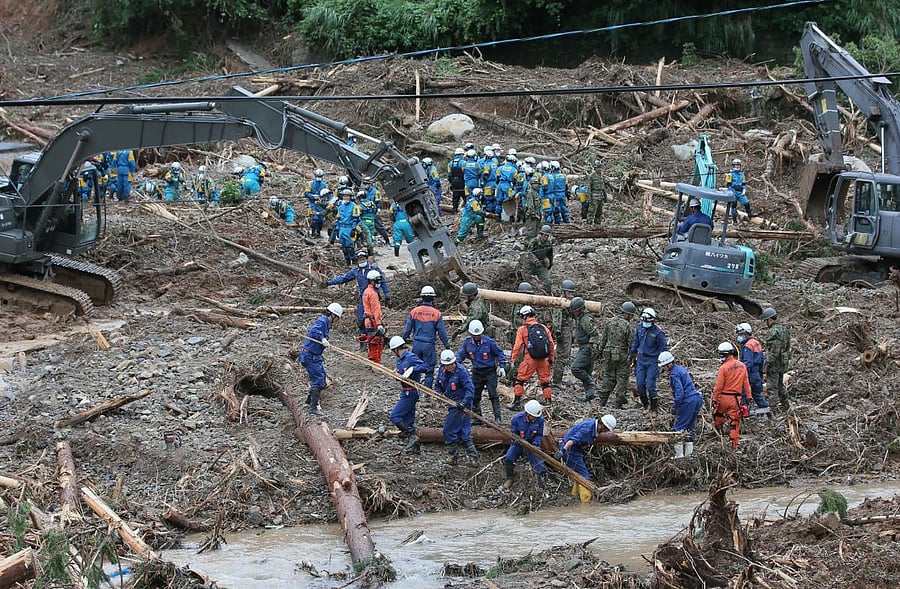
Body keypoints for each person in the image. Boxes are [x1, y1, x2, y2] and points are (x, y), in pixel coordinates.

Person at [326, 251, 389, 346]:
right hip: (363, 298)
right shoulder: (356, 271)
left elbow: (382, 281)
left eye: (363, 259)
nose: (362, 261)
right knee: (361, 321)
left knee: (374, 318)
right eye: (360, 259)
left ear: (366, 259)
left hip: (373, 296)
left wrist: (386, 294)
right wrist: (329, 283)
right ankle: (363, 343)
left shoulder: (373, 269)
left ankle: (377, 341)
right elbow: (343, 278)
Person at [556, 414, 616, 502]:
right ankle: (586, 502)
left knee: (579, 473)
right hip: (570, 451)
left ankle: (575, 495)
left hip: (576, 450)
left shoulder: (592, 425)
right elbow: (572, 440)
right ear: (602, 425)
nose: (604, 432)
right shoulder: (587, 429)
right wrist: (563, 451)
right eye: (605, 429)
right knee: (584, 476)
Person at [456, 319, 506, 424]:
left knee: (493, 394)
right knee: (475, 394)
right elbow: (460, 356)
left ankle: (498, 417)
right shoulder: (467, 343)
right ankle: (477, 417)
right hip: (477, 372)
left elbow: (499, 353)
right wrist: (455, 366)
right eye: (475, 335)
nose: (477, 337)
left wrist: (502, 366)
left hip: (490, 371)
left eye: (478, 335)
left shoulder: (489, 342)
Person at [299, 303, 343, 417]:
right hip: (310, 355)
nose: (337, 320)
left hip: (314, 355)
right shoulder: (323, 321)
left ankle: (309, 400)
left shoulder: (327, 323)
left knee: (321, 377)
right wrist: (322, 338)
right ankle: (313, 408)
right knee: (318, 379)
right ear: (333, 315)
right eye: (337, 317)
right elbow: (314, 331)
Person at [402, 286, 451, 388]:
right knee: (429, 371)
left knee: (415, 367)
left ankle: (414, 390)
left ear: (422, 297)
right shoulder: (436, 314)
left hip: (416, 344)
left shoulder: (414, 312)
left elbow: (407, 329)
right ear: (433, 298)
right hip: (429, 345)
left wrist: (403, 340)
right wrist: (447, 345)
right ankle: (427, 397)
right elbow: (442, 332)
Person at [508, 305, 555, 410]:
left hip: (530, 359)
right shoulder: (543, 328)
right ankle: (548, 403)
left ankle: (516, 403)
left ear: (525, 316)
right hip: (543, 359)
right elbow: (551, 344)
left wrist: (513, 360)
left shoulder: (523, 329)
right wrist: (551, 358)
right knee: (545, 382)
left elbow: (517, 346)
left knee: (519, 380)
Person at [388, 336, 429, 454]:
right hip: (404, 390)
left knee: (395, 416)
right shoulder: (400, 360)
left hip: (411, 392)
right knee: (409, 420)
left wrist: (413, 369)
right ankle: (414, 446)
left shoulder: (410, 357)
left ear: (396, 349)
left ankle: (412, 434)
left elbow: (425, 367)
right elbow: (402, 375)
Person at [658, 351, 702, 458]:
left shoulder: (674, 374)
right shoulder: (680, 369)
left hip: (688, 402)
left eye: (663, 366)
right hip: (696, 399)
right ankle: (688, 455)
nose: (663, 369)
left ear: (668, 364)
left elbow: (680, 393)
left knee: (678, 428)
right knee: (690, 428)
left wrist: (675, 407)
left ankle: (679, 456)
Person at [436, 349, 477, 465]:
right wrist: (438, 392)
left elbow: (470, 389)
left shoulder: (461, 371)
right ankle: (473, 457)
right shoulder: (442, 371)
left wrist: (464, 403)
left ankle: (453, 455)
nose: (450, 367)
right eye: (447, 365)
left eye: (452, 364)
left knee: (448, 430)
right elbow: (438, 384)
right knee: (463, 431)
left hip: (461, 404)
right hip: (451, 402)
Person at [629, 307, 668, 419]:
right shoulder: (639, 328)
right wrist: (632, 356)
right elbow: (635, 343)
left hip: (652, 360)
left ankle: (654, 408)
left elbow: (664, 349)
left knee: (651, 385)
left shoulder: (658, 332)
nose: (645, 323)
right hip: (641, 360)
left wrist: (663, 363)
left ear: (653, 320)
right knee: (640, 385)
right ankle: (645, 406)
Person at [596, 301, 636, 408]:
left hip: (608, 354)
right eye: (631, 315)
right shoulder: (628, 326)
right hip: (622, 356)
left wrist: (599, 352)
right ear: (627, 314)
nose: (631, 317)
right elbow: (631, 344)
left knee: (608, 377)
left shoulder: (610, 322)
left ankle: (602, 400)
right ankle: (618, 403)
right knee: (622, 378)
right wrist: (632, 358)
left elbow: (603, 339)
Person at [712, 341, 751, 449]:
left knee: (718, 415)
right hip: (736, 399)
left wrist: (714, 399)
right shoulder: (742, 366)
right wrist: (748, 397)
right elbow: (746, 383)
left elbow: (718, 386)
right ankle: (734, 446)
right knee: (734, 422)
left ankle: (718, 434)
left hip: (723, 398)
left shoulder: (723, 368)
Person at [502, 399, 547, 489]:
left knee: (539, 463)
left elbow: (539, 435)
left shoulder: (540, 420)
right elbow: (513, 434)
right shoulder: (516, 419)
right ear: (528, 414)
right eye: (533, 417)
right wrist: (516, 440)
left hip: (531, 444)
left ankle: (541, 480)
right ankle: (510, 478)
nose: (535, 419)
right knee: (508, 458)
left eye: (536, 417)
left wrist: (535, 444)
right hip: (518, 443)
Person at [568, 297, 601, 402]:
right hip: (584, 347)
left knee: (575, 368)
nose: (574, 313)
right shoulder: (580, 318)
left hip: (587, 348)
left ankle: (591, 385)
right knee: (587, 371)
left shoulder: (585, 319)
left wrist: (592, 348)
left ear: (581, 309)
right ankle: (589, 395)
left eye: (576, 311)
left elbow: (595, 333)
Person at [735, 322, 770, 414]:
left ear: (745, 334)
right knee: (757, 396)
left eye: (740, 334)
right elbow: (762, 360)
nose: (739, 337)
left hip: (750, 375)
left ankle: (744, 415)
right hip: (757, 374)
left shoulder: (747, 346)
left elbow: (747, 364)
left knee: (744, 396)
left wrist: (740, 376)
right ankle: (769, 412)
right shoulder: (756, 343)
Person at [761, 307, 791, 411]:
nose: (766, 323)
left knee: (772, 388)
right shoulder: (784, 330)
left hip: (774, 365)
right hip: (782, 363)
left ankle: (772, 412)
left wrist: (766, 364)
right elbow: (787, 347)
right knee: (780, 386)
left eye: (766, 321)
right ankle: (786, 406)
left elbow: (774, 351)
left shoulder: (773, 332)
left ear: (770, 319)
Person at [551, 279, 577, 385]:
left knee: (565, 356)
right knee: (562, 357)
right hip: (563, 331)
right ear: (564, 291)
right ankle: (557, 381)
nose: (571, 294)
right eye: (569, 292)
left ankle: (558, 379)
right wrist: (558, 332)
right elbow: (557, 318)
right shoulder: (561, 302)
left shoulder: (569, 303)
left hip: (568, 331)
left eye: (572, 292)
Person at [521, 225, 554, 294]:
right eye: (545, 235)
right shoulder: (534, 242)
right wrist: (535, 260)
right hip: (530, 264)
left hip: (540, 265)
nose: (546, 237)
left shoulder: (549, 243)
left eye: (548, 236)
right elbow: (529, 253)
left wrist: (550, 263)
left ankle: (547, 296)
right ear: (541, 234)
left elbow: (550, 254)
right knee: (525, 282)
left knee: (548, 282)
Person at [362, 270, 386, 363]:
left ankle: (372, 361)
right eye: (377, 281)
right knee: (376, 343)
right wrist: (379, 324)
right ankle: (375, 363)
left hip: (368, 321)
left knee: (371, 343)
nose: (379, 283)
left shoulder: (366, 291)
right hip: (373, 322)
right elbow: (376, 310)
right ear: (372, 281)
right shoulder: (373, 294)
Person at [335, 188, 362, 265]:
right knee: (344, 247)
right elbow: (338, 218)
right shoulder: (340, 207)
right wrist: (337, 228)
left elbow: (356, 219)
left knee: (350, 247)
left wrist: (353, 229)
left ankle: (353, 261)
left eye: (347, 196)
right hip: (341, 228)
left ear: (350, 197)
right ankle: (347, 262)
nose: (345, 198)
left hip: (349, 228)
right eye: (344, 196)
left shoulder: (354, 206)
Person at [724, 158, 754, 224]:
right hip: (733, 192)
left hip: (740, 192)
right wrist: (731, 190)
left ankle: (749, 213)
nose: (737, 166)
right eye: (735, 165)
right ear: (733, 166)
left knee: (746, 203)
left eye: (738, 165)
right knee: (734, 205)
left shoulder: (742, 174)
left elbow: (744, 183)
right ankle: (734, 220)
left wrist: (744, 190)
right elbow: (728, 185)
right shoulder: (730, 174)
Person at [585, 159, 606, 225]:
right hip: (594, 197)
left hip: (600, 196)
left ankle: (597, 225)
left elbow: (603, 187)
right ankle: (589, 224)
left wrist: (605, 196)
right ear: (595, 168)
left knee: (599, 213)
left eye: (600, 167)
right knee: (591, 212)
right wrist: (589, 197)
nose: (599, 169)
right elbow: (589, 187)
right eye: (598, 167)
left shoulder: (601, 176)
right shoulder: (591, 176)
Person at [446, 147, 466, 212]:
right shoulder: (463, 162)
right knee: (465, 196)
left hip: (454, 181)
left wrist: (451, 182)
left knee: (455, 197)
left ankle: (454, 210)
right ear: (461, 154)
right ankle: (466, 210)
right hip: (462, 181)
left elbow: (449, 175)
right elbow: (465, 172)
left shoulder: (450, 163)